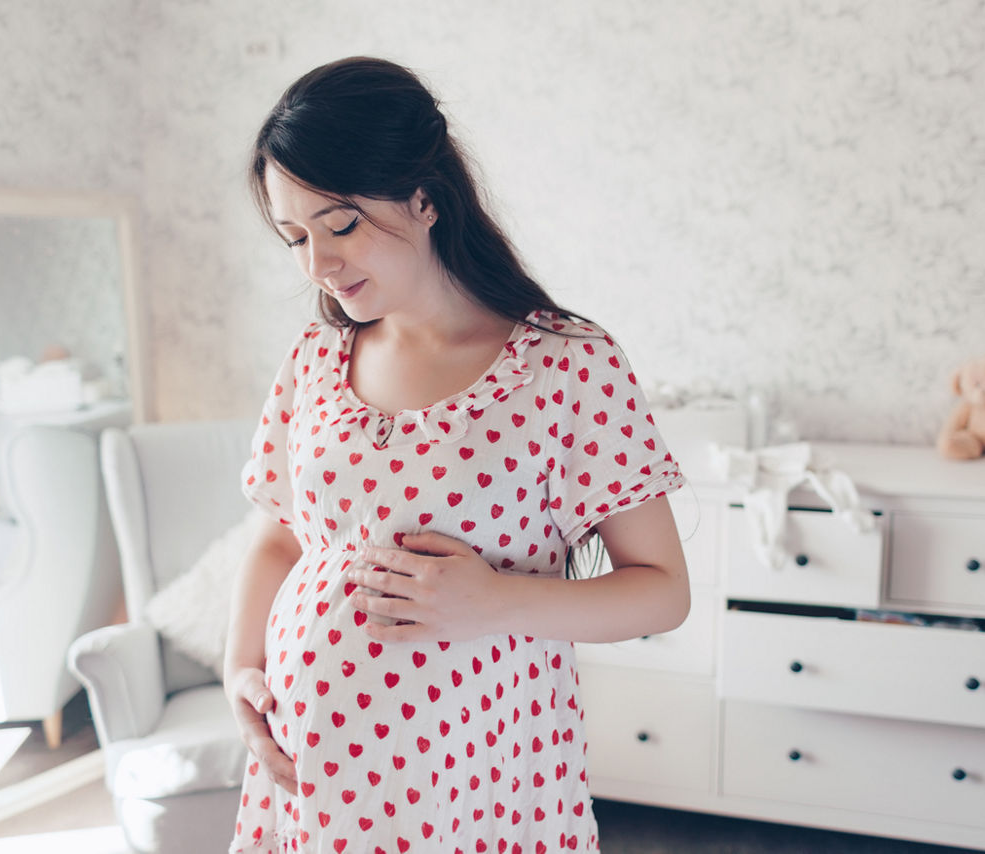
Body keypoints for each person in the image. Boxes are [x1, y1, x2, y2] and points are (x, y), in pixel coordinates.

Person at [224, 56, 689, 854]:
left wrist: (498, 601)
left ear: (424, 198)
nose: (316, 266)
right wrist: (243, 671)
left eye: (339, 225)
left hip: (472, 770)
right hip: (314, 764)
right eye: (294, 235)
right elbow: (278, 536)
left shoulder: (567, 364)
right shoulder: (314, 356)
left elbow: (663, 593)